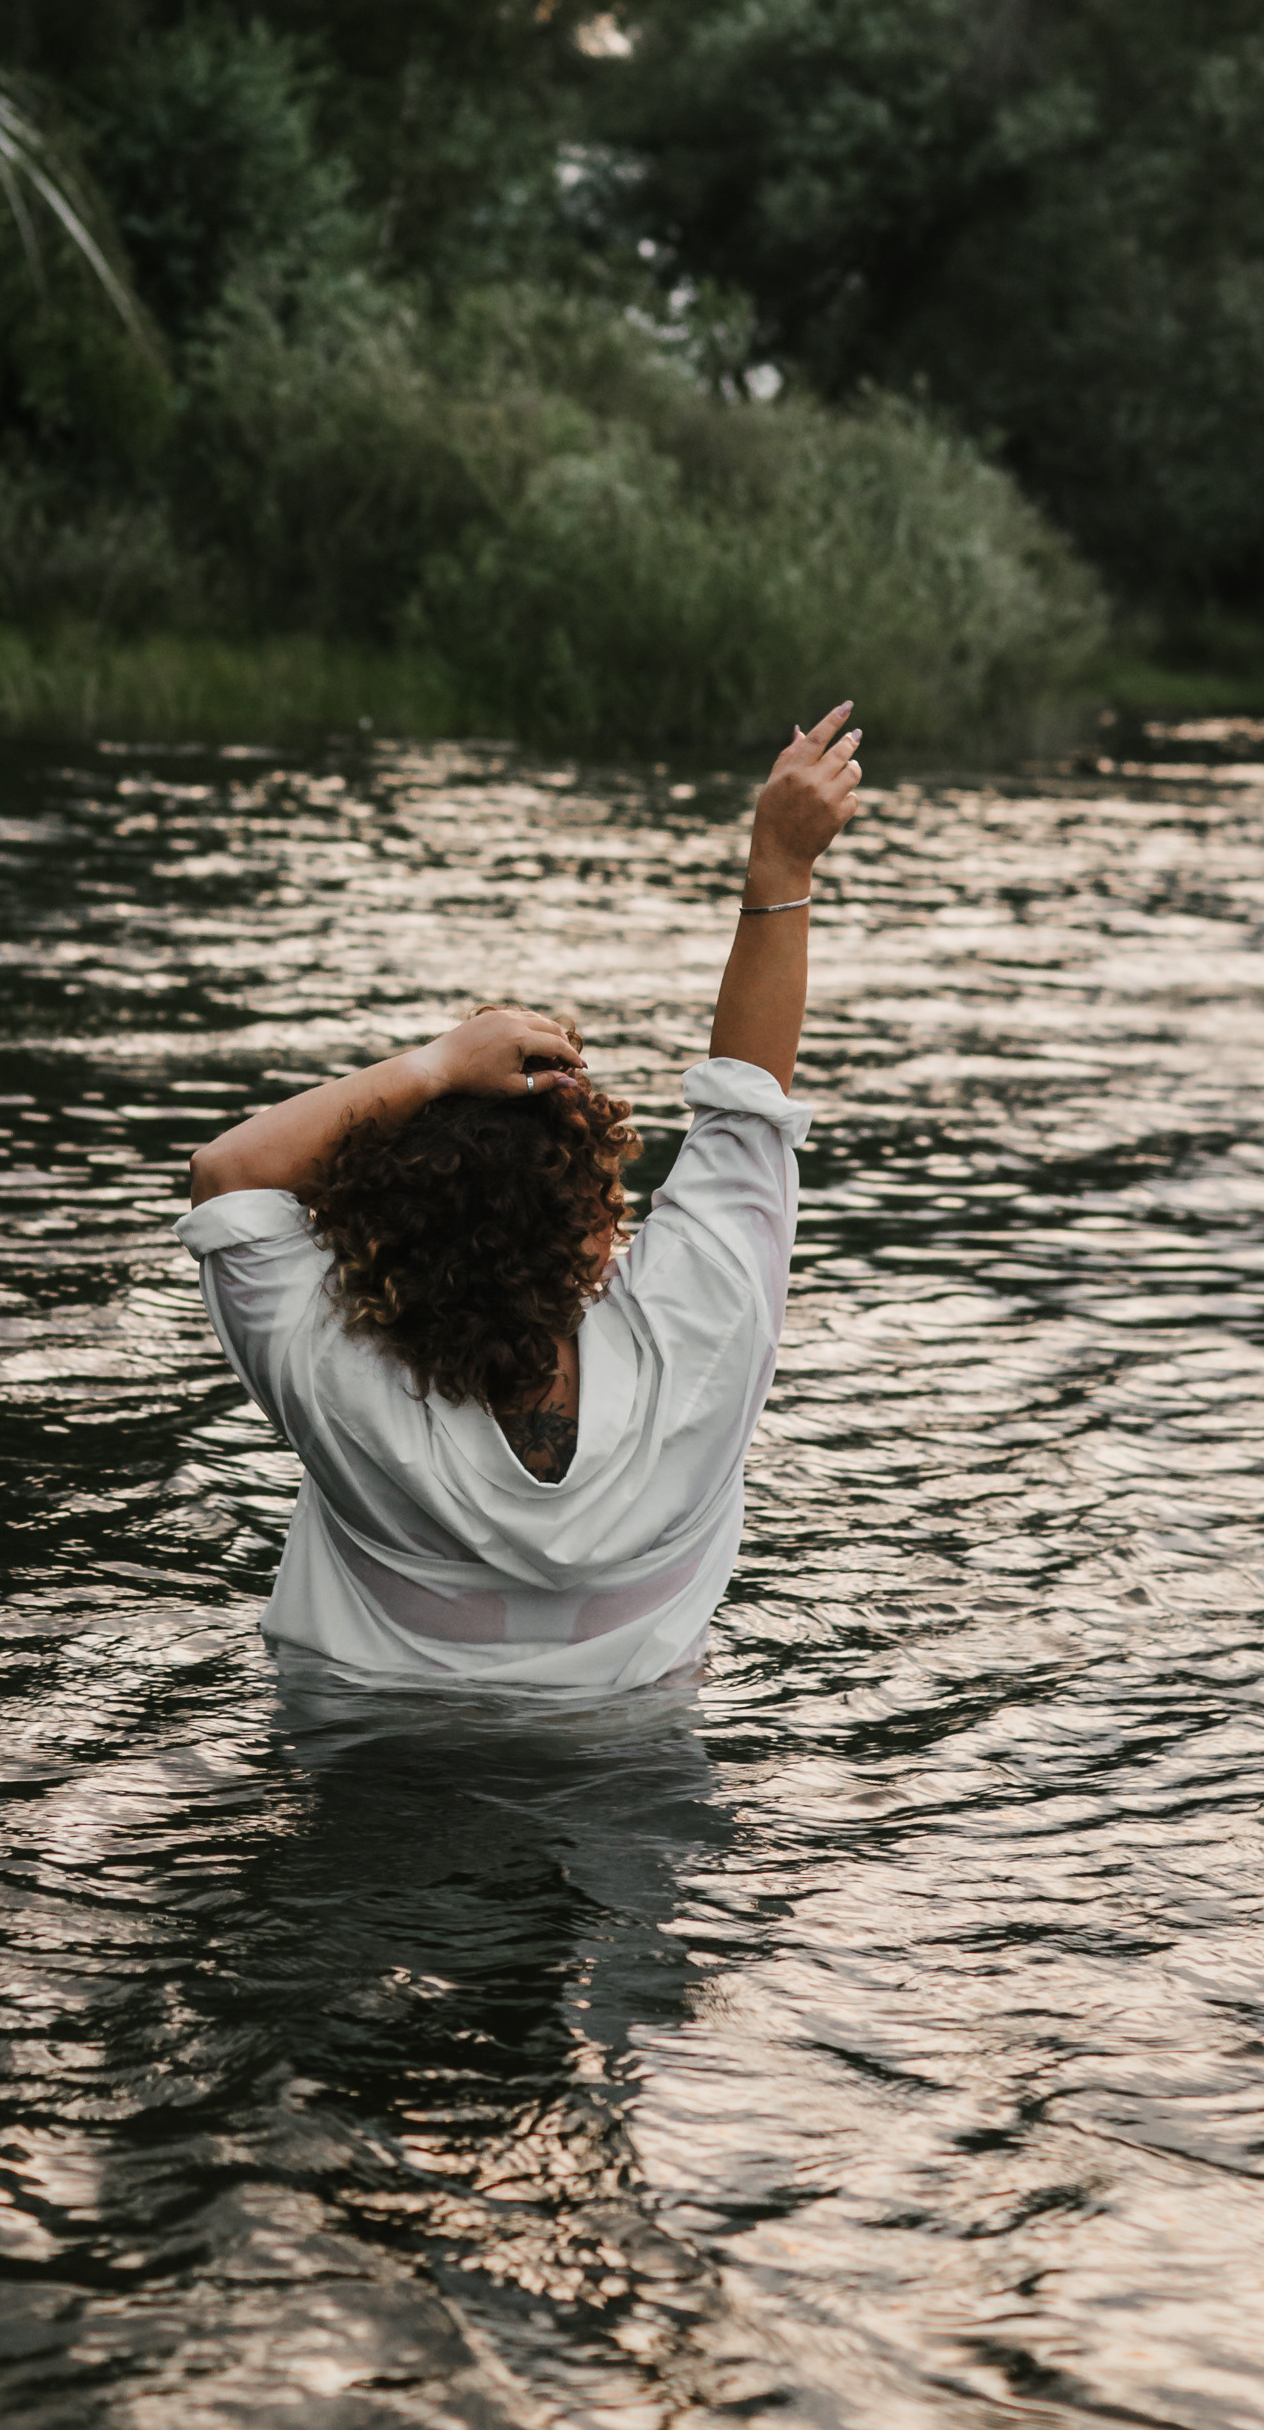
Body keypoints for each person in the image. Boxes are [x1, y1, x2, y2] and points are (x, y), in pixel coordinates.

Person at [174, 702, 865, 1691]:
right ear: (594, 1232)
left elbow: (227, 1175)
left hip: (365, 1768)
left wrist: (436, 1065)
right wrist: (781, 867)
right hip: (628, 1788)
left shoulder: (330, 1374)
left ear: (388, 1224)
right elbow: (750, 1100)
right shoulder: (700, 1346)